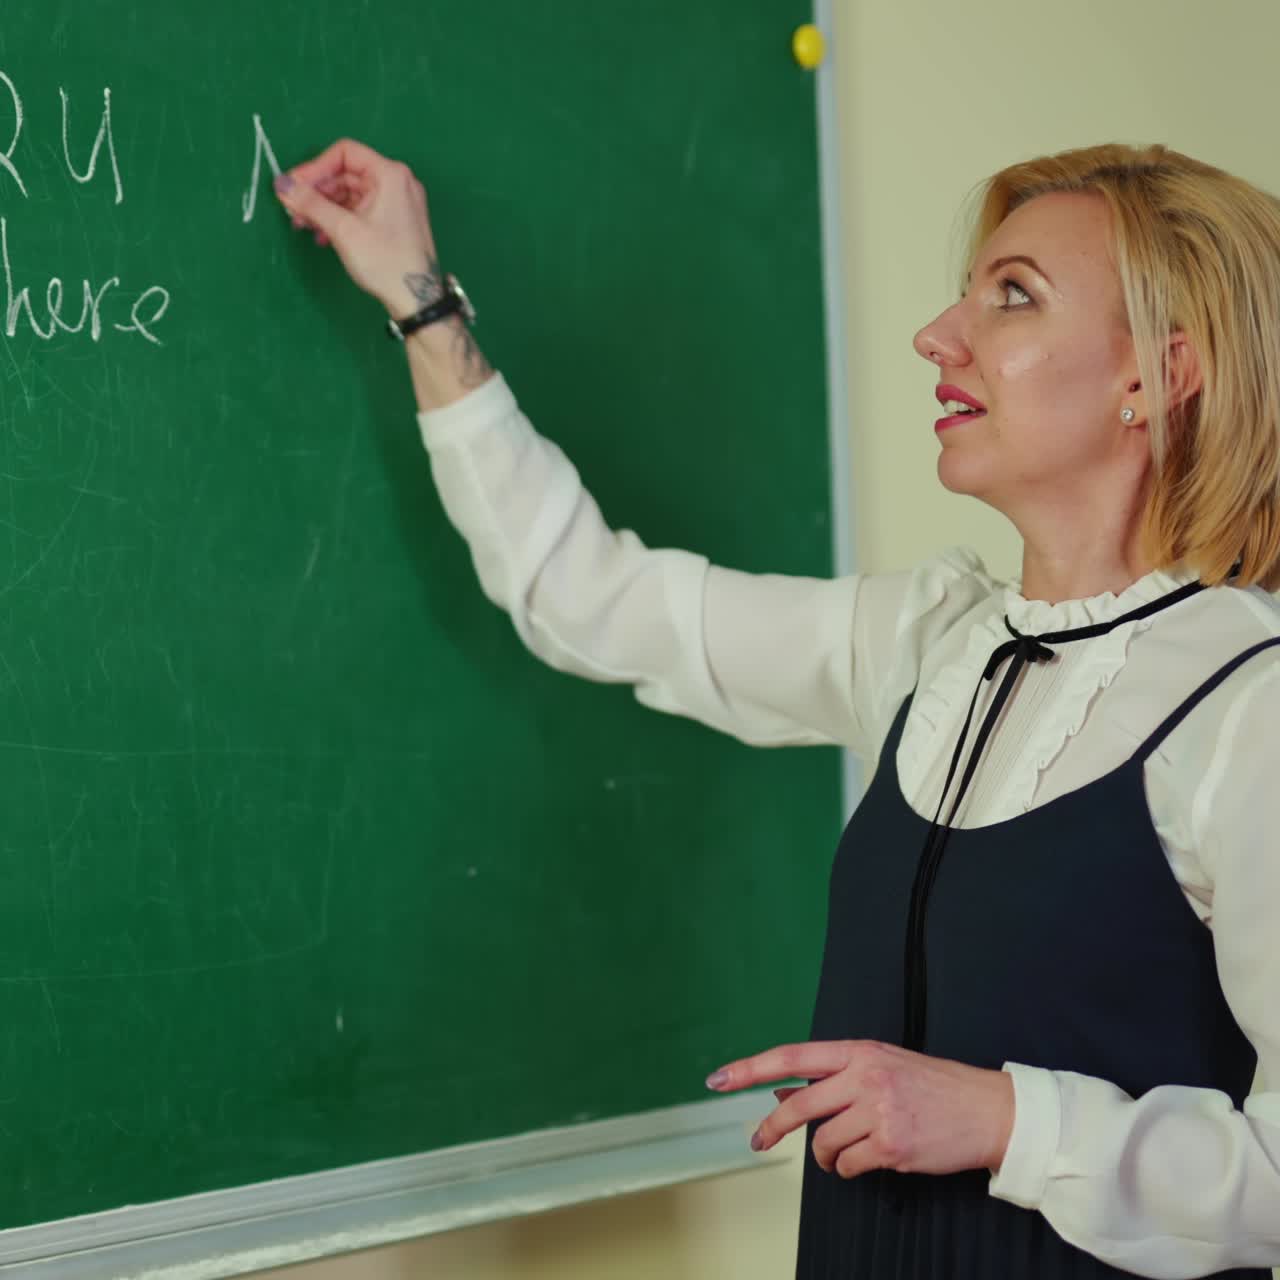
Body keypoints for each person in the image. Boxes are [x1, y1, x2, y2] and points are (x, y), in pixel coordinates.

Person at [274, 141, 1280, 1278]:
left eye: (1012, 295)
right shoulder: (930, 640)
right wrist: (421, 300)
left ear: (1159, 373)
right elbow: (588, 597)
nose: (936, 335)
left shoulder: (1248, 704)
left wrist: (1009, 1120)